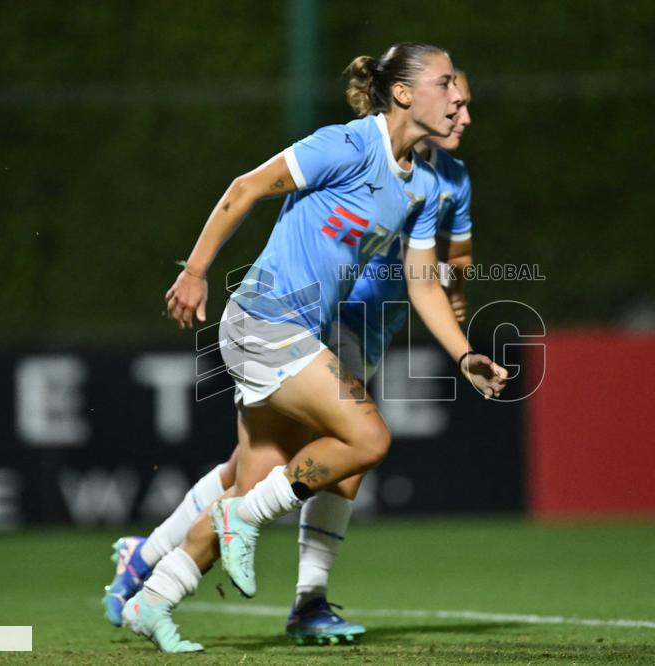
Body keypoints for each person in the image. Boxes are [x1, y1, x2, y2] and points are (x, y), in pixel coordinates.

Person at [124, 44, 505, 653]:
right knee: (368, 438)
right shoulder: (348, 145)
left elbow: (423, 280)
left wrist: (462, 354)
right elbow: (245, 188)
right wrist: (195, 270)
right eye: (444, 84)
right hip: (264, 322)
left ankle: (151, 597)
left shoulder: (428, 182)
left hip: (293, 334)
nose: (459, 96)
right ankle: (243, 525)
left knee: (250, 481)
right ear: (403, 94)